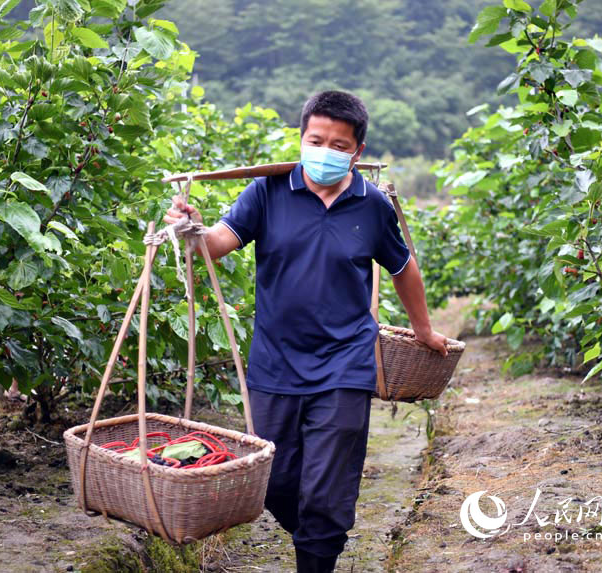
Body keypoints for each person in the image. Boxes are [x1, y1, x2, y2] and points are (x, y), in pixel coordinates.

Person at [164, 90, 448, 573]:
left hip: (346, 363)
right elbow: (217, 243)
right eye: (317, 140)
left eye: (339, 145)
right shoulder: (267, 194)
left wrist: (423, 329)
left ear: (357, 152)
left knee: (327, 484)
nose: (326, 151)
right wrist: (192, 230)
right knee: (274, 482)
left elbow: (403, 266)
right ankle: (322, 536)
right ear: (301, 139)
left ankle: (319, 550)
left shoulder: (371, 205)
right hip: (274, 363)